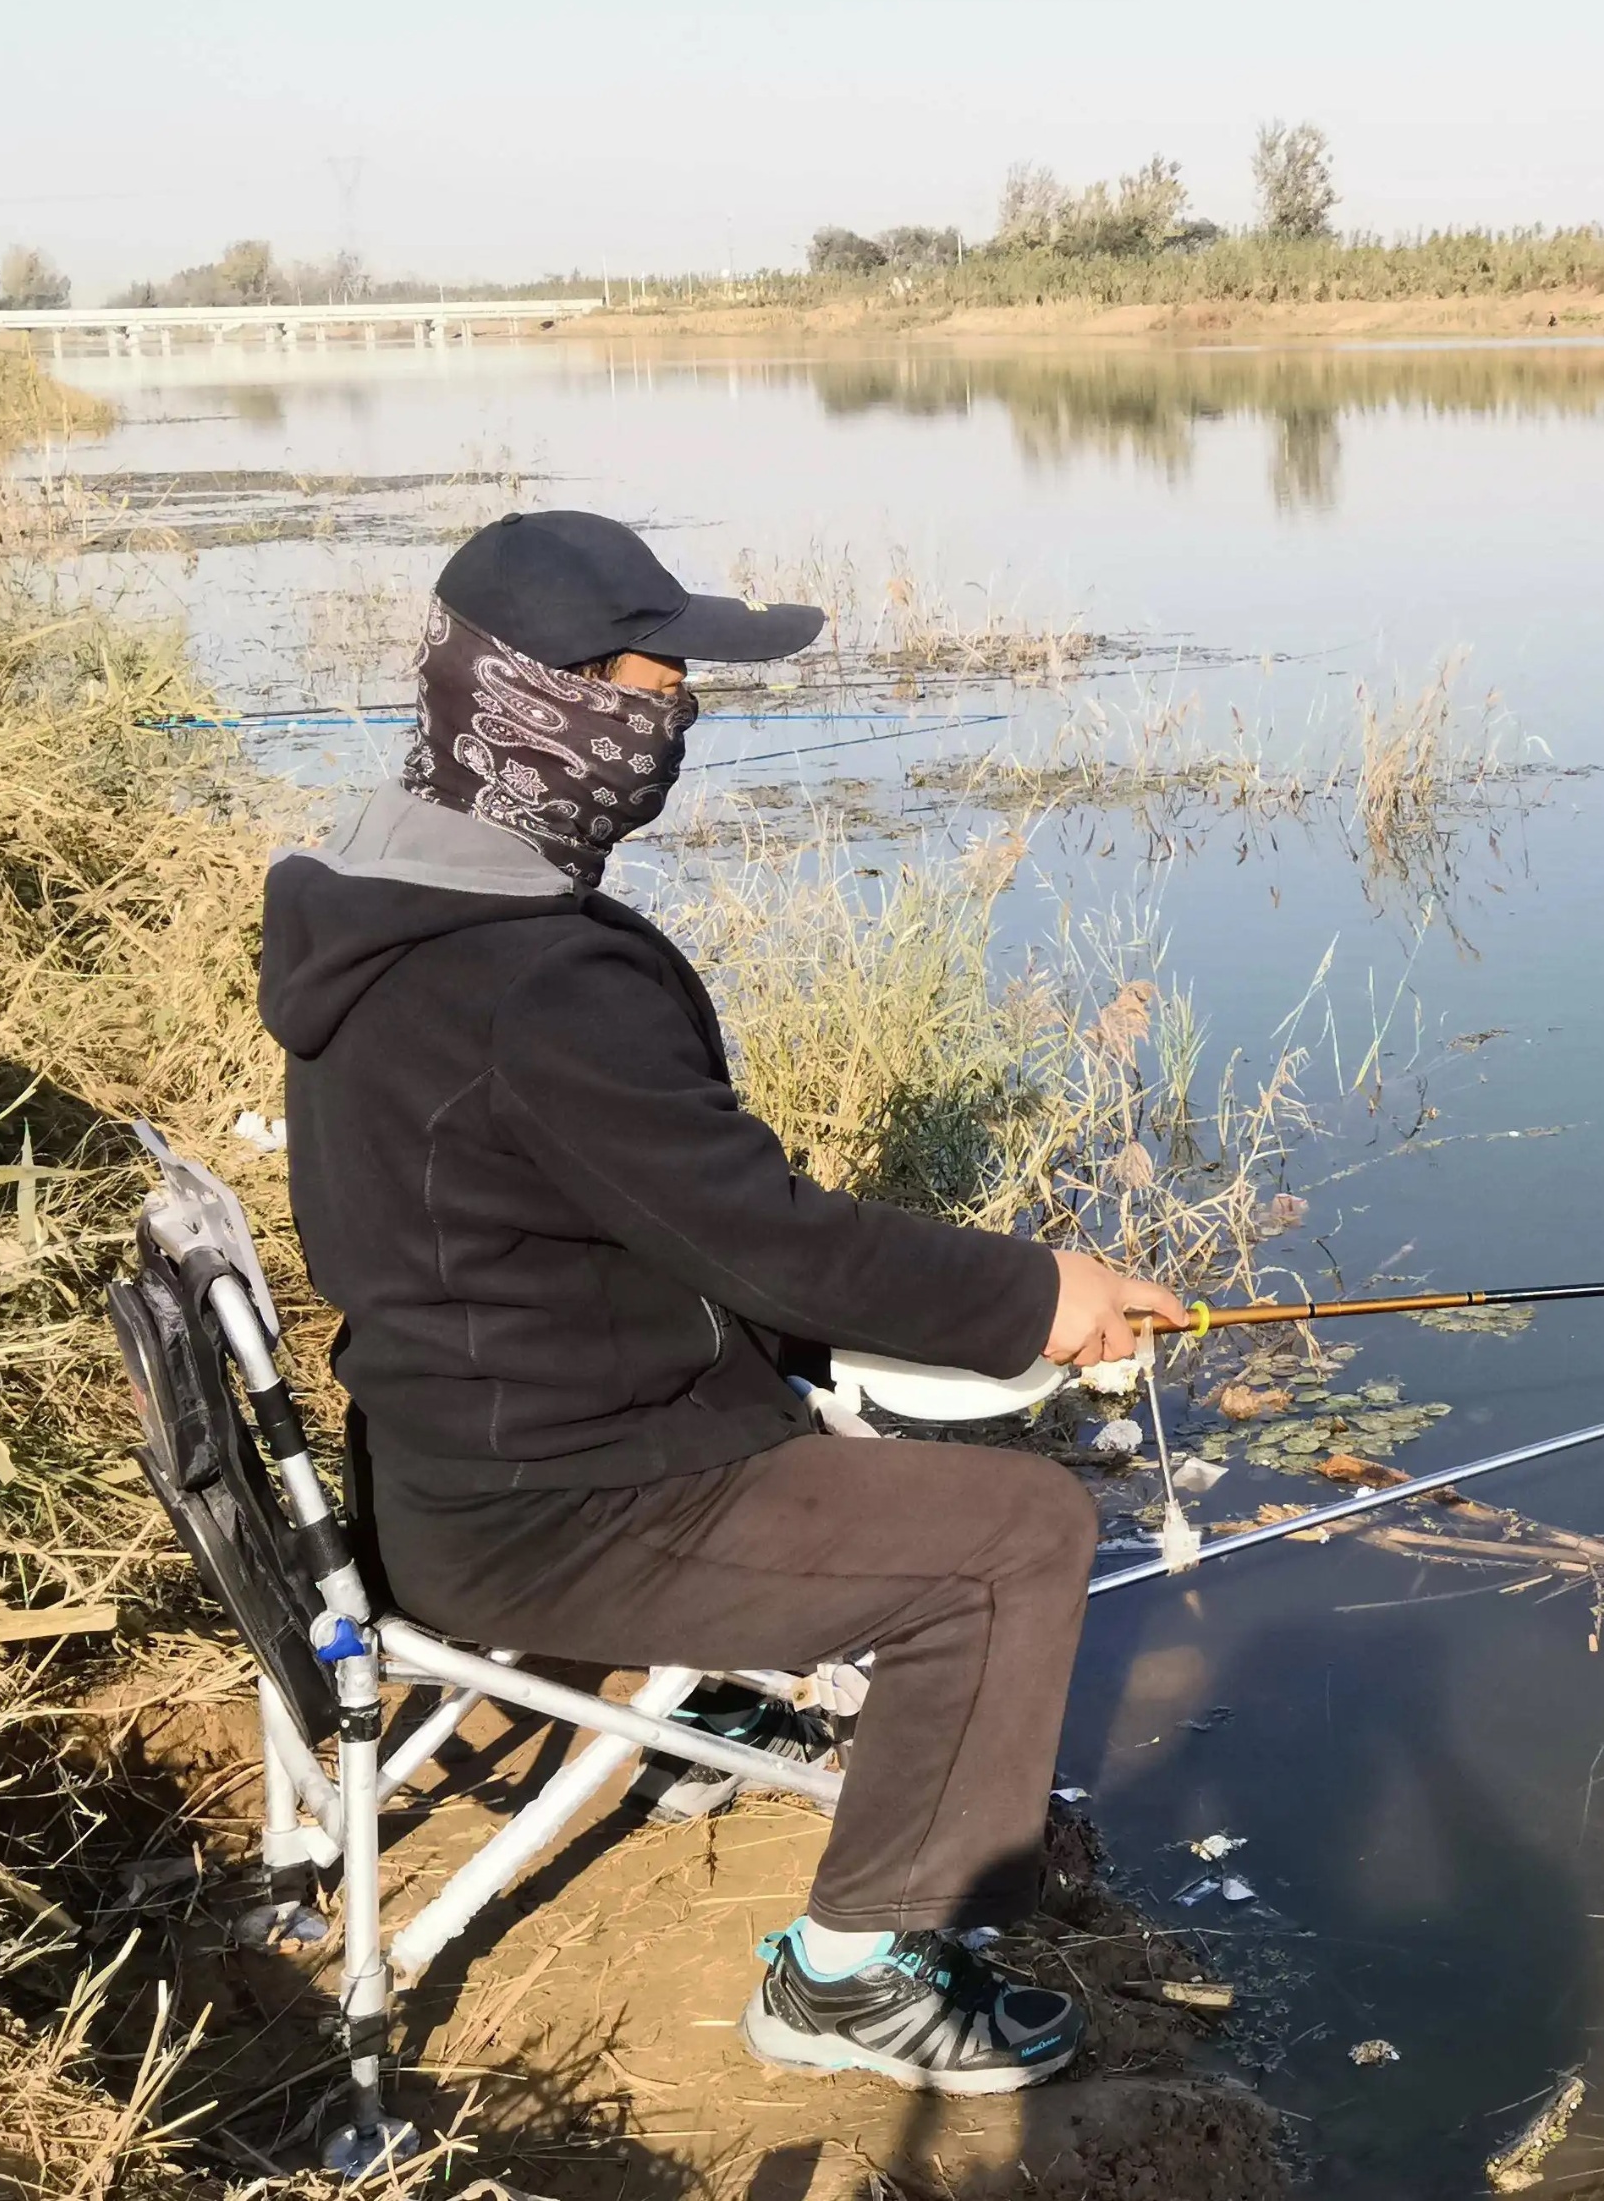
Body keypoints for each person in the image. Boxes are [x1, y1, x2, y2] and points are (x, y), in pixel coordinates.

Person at [257, 509, 1181, 2095]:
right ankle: (847, 1977)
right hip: (547, 1507)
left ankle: (741, 1711)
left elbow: (662, 1224)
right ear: (537, 698)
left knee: (862, 1417)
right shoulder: (532, 980)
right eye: (651, 680)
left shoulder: (384, 886)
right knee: (1019, 1535)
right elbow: (770, 1243)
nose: (677, 713)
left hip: (458, 1449)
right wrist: (1042, 1288)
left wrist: (858, 1323)